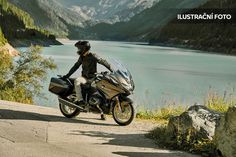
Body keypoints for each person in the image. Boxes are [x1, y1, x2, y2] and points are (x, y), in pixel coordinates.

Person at [63, 41, 113, 118]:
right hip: (84, 78)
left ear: (83, 48)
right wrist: (67, 75)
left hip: (93, 78)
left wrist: (112, 70)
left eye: (79, 48)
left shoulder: (93, 56)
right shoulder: (82, 57)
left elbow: (103, 61)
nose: (78, 50)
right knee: (77, 81)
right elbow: (75, 66)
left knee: (100, 93)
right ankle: (80, 101)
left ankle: (102, 112)